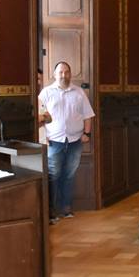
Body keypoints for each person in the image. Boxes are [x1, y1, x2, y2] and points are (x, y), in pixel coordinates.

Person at [39, 61, 95, 222]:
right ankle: (52, 211)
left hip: (75, 141)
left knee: (69, 175)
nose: (64, 75)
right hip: (54, 141)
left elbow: (88, 115)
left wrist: (87, 133)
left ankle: (66, 208)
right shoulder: (46, 93)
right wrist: (42, 135)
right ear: (54, 75)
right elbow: (39, 115)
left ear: (70, 74)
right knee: (53, 175)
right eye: (60, 72)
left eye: (67, 72)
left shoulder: (79, 92)